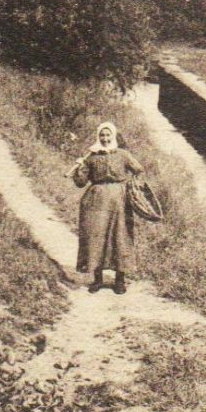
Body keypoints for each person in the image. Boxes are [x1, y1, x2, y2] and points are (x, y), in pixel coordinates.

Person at [71, 121, 144, 294]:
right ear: (99, 137)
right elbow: (81, 183)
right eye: (102, 135)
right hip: (95, 202)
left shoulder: (123, 154)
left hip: (120, 200)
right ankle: (97, 280)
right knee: (95, 237)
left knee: (120, 237)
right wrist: (79, 168)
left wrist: (133, 186)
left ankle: (120, 281)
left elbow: (139, 170)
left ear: (113, 136)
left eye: (108, 135)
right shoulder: (92, 157)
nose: (105, 138)